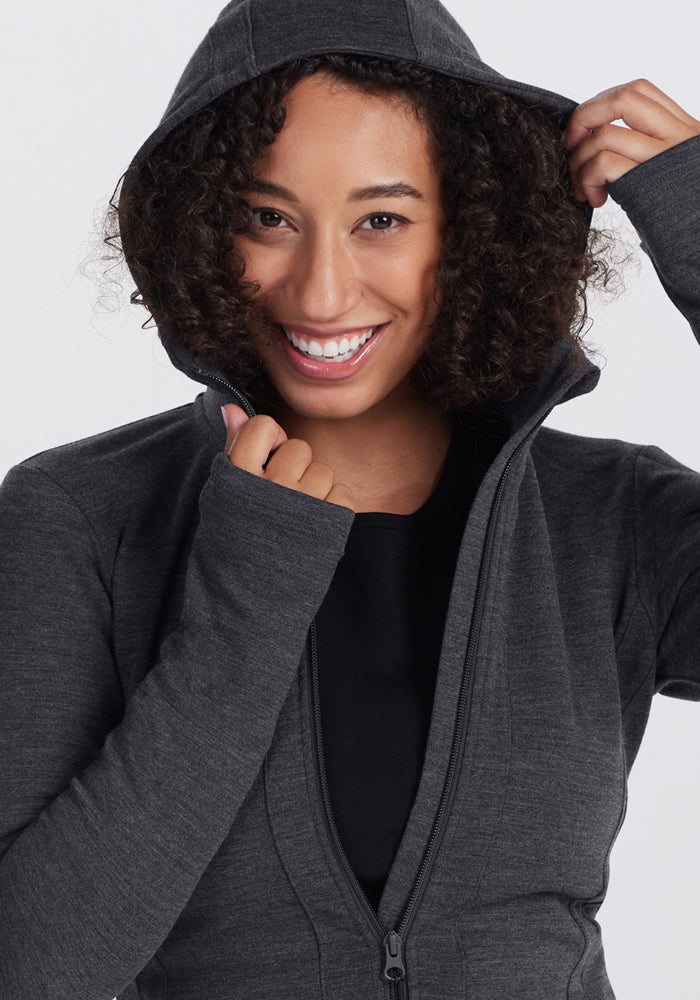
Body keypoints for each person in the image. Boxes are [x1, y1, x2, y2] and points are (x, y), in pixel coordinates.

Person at [0, 0, 698, 997]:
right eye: (267, 217)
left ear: (466, 227)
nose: (322, 292)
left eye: (381, 219)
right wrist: (244, 605)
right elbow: (29, 967)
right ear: (203, 228)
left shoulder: (609, 518)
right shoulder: (80, 515)